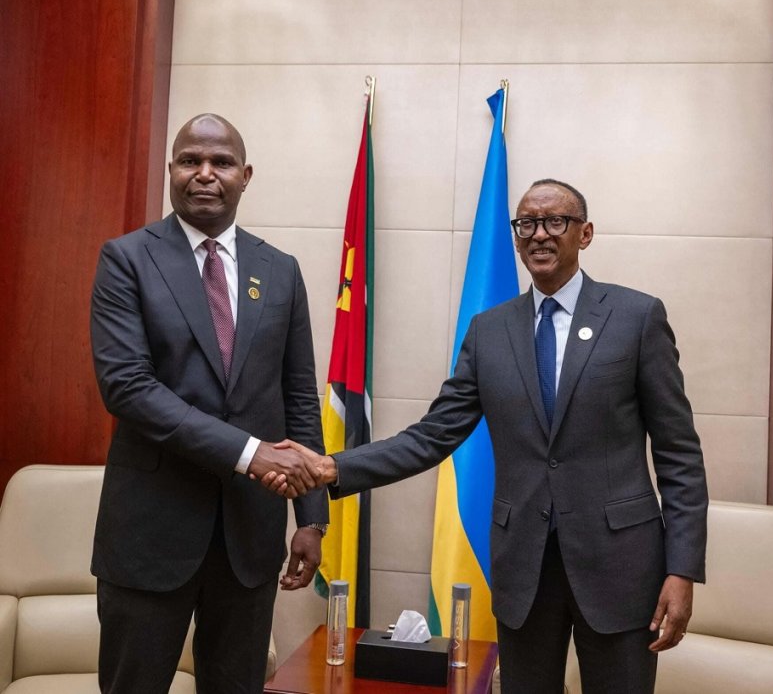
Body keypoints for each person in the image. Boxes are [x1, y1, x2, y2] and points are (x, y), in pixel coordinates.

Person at [268, 179, 709, 694]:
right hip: (524, 568)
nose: (539, 234)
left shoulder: (636, 317)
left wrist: (682, 570)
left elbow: (679, 455)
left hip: (621, 565)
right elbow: (433, 436)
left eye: (555, 221)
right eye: (527, 224)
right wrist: (333, 467)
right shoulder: (489, 331)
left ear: (585, 233)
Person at [90, 113, 326, 694]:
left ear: (246, 175)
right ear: (170, 170)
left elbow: (299, 395)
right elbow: (128, 388)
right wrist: (250, 453)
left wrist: (312, 517)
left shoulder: (281, 271)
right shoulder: (127, 259)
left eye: (221, 162)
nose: (204, 173)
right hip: (150, 535)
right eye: (189, 161)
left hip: (249, 537)